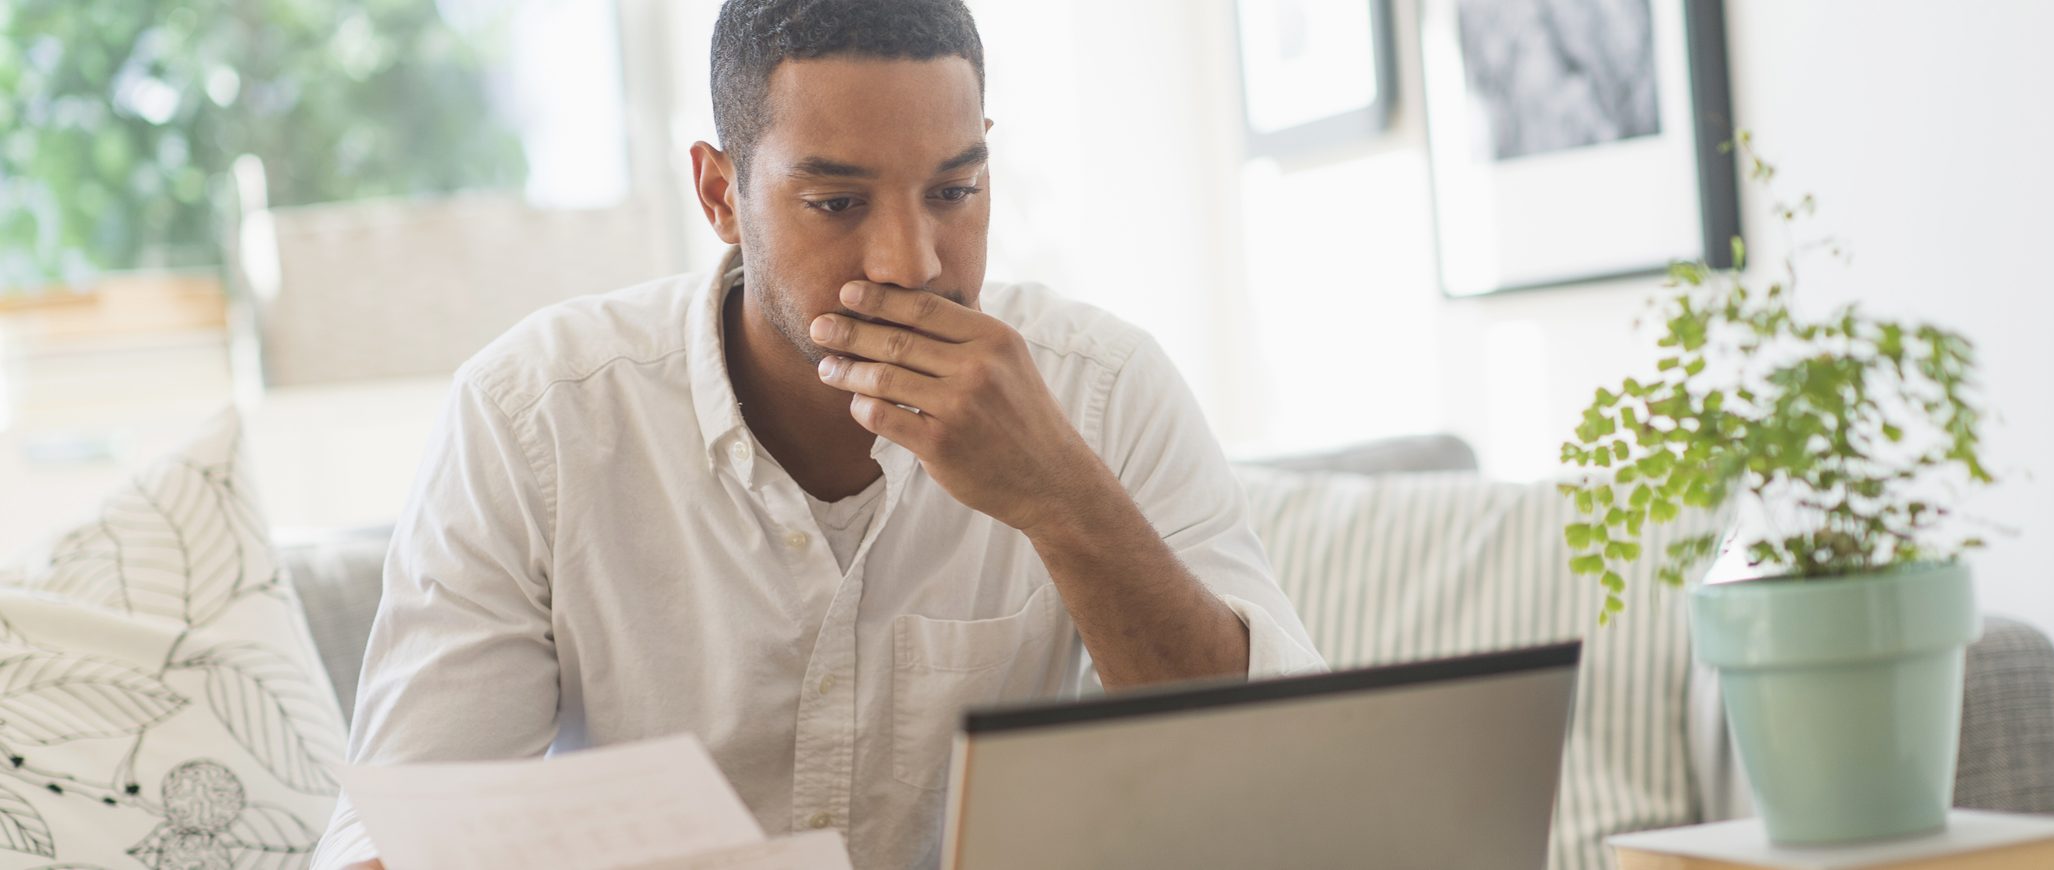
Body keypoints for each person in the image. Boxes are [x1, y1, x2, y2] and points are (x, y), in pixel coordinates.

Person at [314, 1, 1323, 867]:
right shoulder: (534, 416)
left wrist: (1062, 500)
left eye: (954, 191)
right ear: (720, 194)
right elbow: (403, 819)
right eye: (836, 202)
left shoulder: (1104, 394)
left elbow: (1279, 791)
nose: (911, 261)